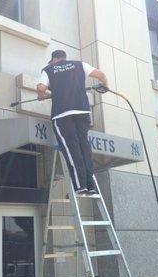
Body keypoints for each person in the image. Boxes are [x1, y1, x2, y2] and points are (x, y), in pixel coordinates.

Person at [37, 50, 108, 197]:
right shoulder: (79, 65)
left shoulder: (48, 69)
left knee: (71, 149)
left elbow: (41, 88)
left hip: (63, 114)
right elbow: (101, 75)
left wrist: (41, 96)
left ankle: (81, 186)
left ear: (53, 60)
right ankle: (90, 185)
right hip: (82, 112)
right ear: (64, 58)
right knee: (84, 148)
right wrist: (104, 86)